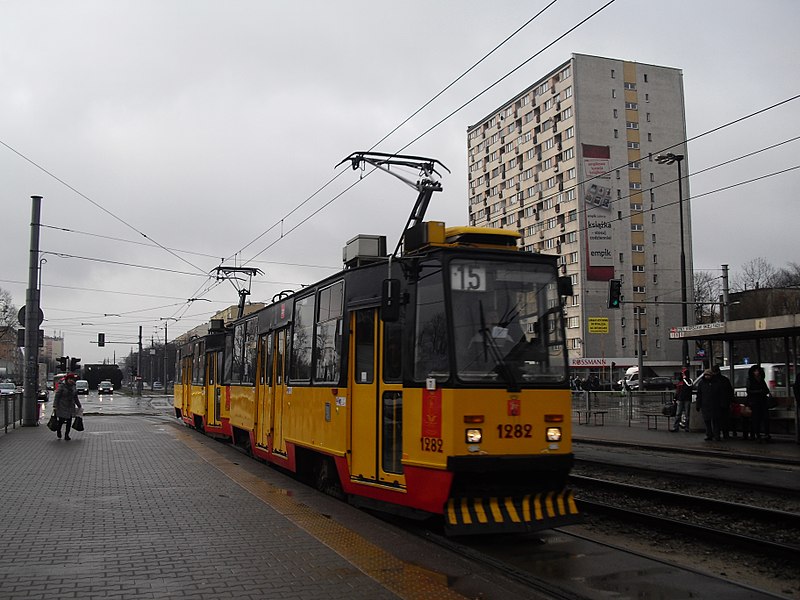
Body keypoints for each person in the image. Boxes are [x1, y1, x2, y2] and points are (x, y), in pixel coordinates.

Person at [695, 368, 726, 441]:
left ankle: (716, 435)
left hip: (715, 405)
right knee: (707, 421)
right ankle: (709, 434)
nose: (707, 377)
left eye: (708, 375)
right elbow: (699, 395)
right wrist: (698, 405)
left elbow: (721, 394)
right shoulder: (702, 383)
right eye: (706, 375)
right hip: (705, 405)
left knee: (716, 421)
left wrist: (722, 403)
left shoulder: (716, 383)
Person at [746, 365, 771, 442]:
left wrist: (762, 391)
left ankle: (766, 434)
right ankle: (757, 434)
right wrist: (759, 391)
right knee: (756, 418)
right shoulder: (750, 380)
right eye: (755, 371)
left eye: (758, 371)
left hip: (762, 402)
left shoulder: (761, 380)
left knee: (765, 417)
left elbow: (766, 390)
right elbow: (749, 391)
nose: (757, 372)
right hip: (754, 402)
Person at [53, 373, 82, 441]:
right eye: (70, 379)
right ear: (67, 379)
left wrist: (79, 405)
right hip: (62, 405)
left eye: (72, 379)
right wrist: (55, 405)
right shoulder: (62, 386)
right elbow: (57, 396)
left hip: (70, 406)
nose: (71, 381)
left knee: (69, 421)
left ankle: (67, 435)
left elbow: (75, 397)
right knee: (61, 420)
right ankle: (59, 431)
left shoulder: (73, 386)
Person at [711, 364, 735, 439]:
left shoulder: (712, 381)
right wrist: (730, 401)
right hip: (724, 403)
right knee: (725, 420)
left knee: (716, 421)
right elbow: (730, 392)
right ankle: (725, 434)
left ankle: (717, 434)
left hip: (715, 403)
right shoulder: (725, 380)